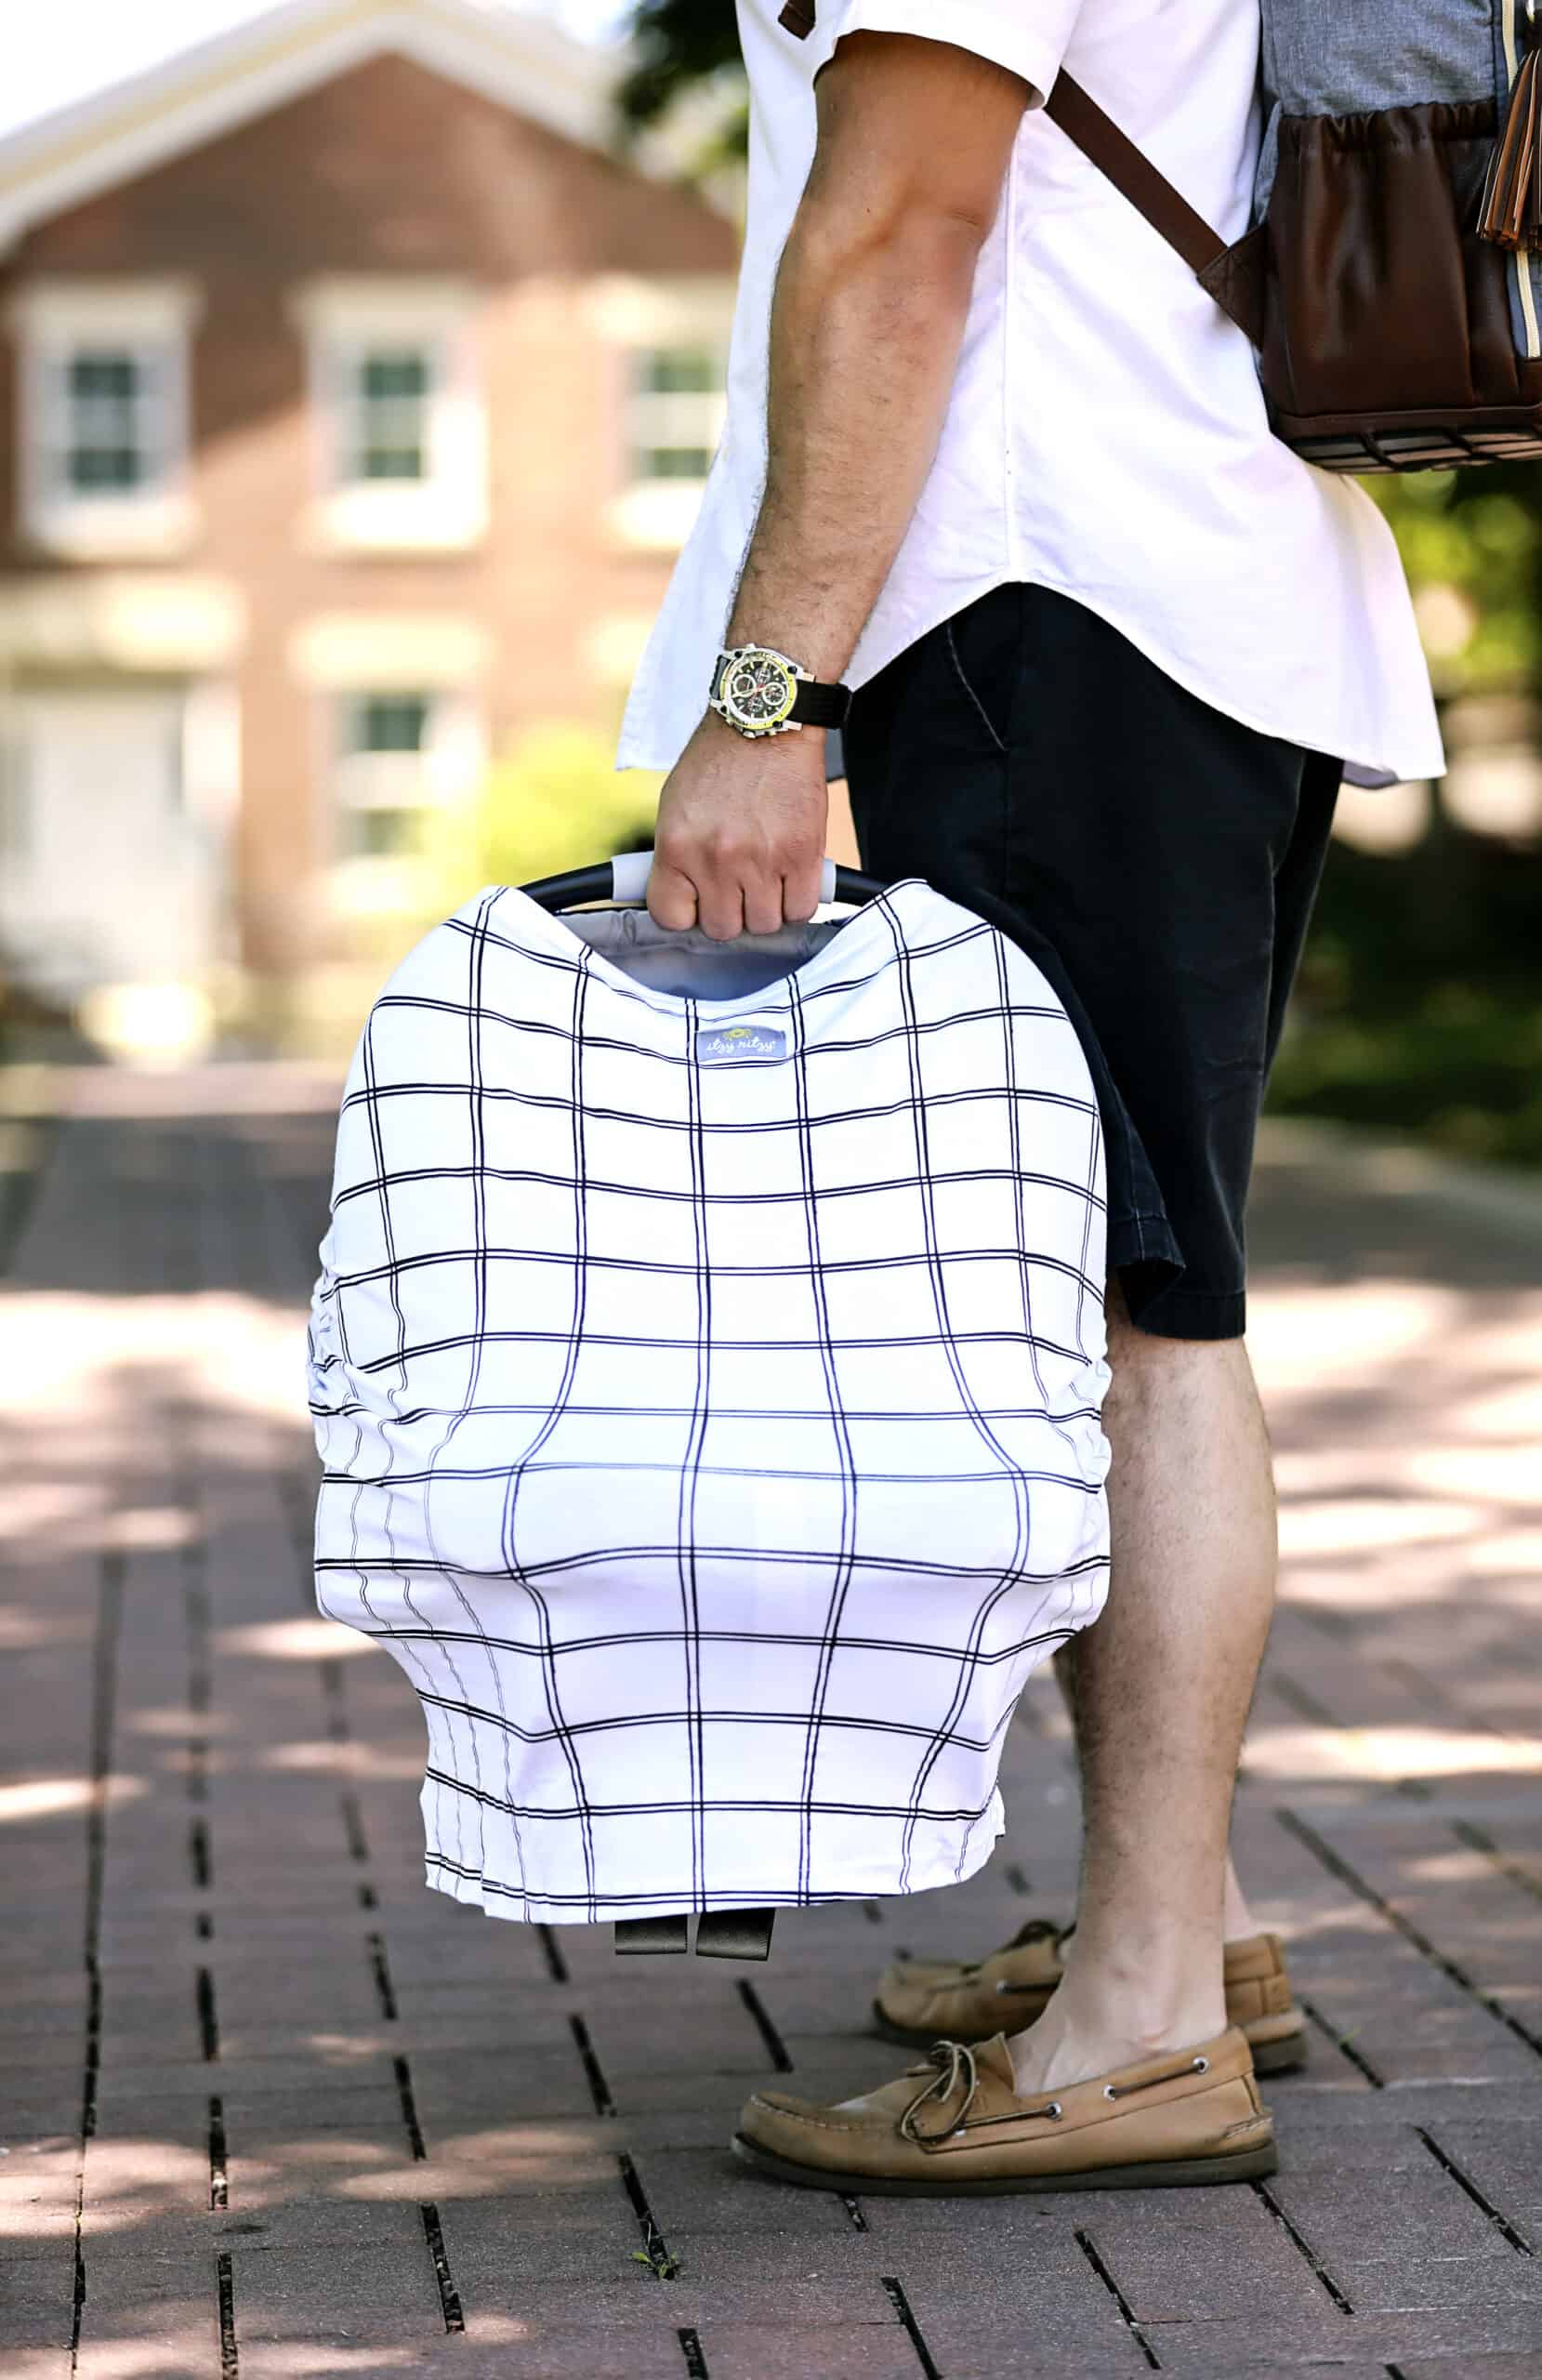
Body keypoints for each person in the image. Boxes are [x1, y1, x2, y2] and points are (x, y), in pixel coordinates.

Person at [615, 0, 1442, 2191]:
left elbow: (901, 224)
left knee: (1138, 1314)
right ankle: (1185, 1927)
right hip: (1125, 592)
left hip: (1044, 597)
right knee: (1107, 1295)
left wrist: (765, 700)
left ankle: (1145, 2018)